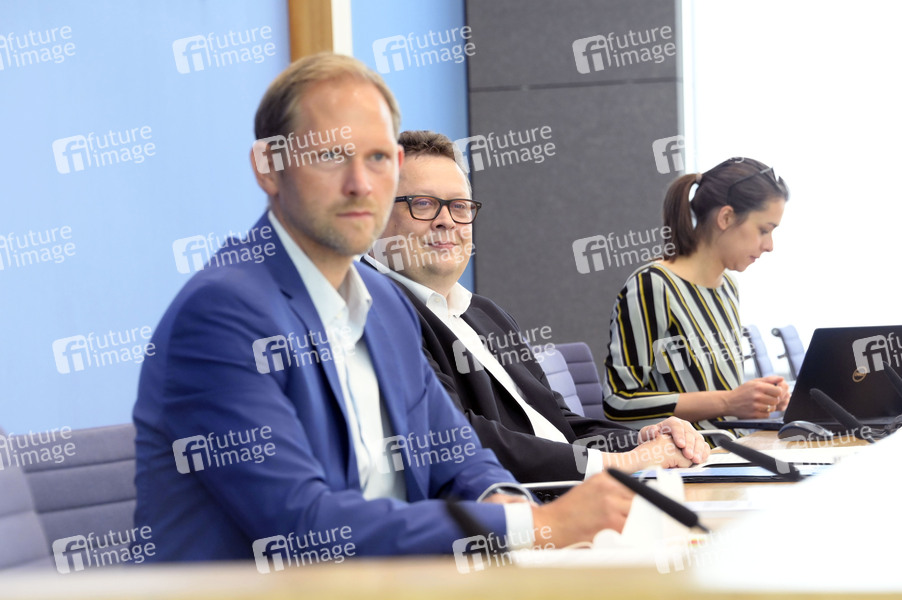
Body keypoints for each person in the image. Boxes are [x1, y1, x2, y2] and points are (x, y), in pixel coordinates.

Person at [133, 53, 637, 562]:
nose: (360, 183)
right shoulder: (222, 314)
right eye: (331, 155)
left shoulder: (389, 306)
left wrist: (505, 504)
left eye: (376, 158)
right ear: (268, 168)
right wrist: (532, 526)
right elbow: (303, 526)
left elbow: (458, 456)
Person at [365, 130, 709, 484]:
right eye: (423, 203)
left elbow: (558, 423)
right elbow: (453, 435)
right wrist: (621, 464)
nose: (447, 220)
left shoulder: (486, 314)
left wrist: (641, 441)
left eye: (460, 206)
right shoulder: (375, 311)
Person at [603, 157, 792, 432]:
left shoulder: (727, 286)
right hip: (691, 456)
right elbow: (619, 402)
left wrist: (760, 400)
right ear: (726, 218)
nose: (770, 245)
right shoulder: (653, 285)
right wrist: (728, 402)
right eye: (764, 230)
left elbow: (715, 393)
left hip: (733, 449)